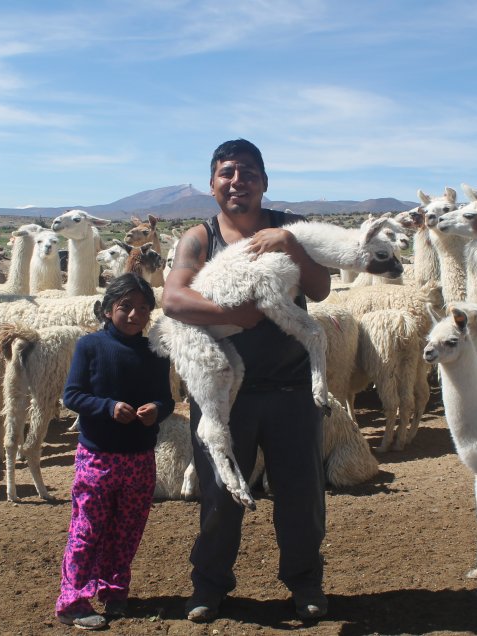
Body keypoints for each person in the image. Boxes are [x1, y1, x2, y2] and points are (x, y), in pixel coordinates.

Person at [162, 139, 331, 622]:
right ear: (213, 184)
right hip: (224, 394)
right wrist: (237, 314)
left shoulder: (287, 227)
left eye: (249, 172)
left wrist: (292, 245)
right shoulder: (199, 238)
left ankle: (305, 584)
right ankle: (209, 587)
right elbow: (174, 300)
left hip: (291, 387)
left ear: (264, 181)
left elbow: (319, 289)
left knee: (302, 495)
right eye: (228, 173)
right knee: (218, 497)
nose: (239, 182)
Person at [55, 273, 175, 630]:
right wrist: (107, 407)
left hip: (140, 457)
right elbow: (72, 395)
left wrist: (157, 408)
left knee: (127, 528)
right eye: (125, 307)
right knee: (88, 528)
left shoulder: (155, 353)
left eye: (143, 308)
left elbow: (166, 398)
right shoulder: (90, 346)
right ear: (108, 309)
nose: (134, 314)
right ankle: (73, 600)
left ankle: (113, 589)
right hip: (98, 457)